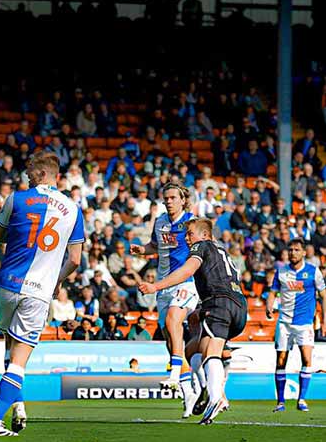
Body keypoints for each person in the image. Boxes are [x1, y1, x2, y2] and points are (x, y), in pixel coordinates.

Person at [0, 152, 85, 436]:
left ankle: (18, 406)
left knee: (9, 345)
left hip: (7, 285)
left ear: (42, 173)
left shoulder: (16, 199)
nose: (26, 177)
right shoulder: (73, 209)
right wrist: (57, 279)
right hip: (39, 290)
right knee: (20, 360)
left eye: (30, 172)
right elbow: (75, 259)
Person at [139, 218, 248, 425]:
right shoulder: (223, 252)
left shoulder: (201, 245)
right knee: (196, 349)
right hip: (239, 307)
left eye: (190, 234)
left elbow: (187, 271)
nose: (187, 238)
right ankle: (214, 390)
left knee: (210, 354)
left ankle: (216, 398)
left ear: (205, 235)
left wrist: (156, 286)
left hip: (219, 303)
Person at [130, 182, 199, 417]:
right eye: (165, 198)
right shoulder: (159, 222)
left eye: (172, 198)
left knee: (173, 321)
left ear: (182, 200)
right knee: (170, 340)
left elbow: (203, 249)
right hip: (163, 286)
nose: (168, 201)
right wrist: (142, 250)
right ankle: (191, 391)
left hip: (185, 282)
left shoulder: (192, 222)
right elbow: (155, 246)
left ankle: (172, 375)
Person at [266, 239, 326, 412]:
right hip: (284, 322)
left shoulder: (313, 272)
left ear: (303, 253)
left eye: (296, 250)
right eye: (290, 250)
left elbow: (324, 295)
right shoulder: (281, 271)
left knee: (307, 359)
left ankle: (301, 399)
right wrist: (269, 305)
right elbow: (273, 292)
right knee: (281, 361)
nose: (293, 253)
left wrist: (324, 321)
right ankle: (281, 402)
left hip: (305, 323)